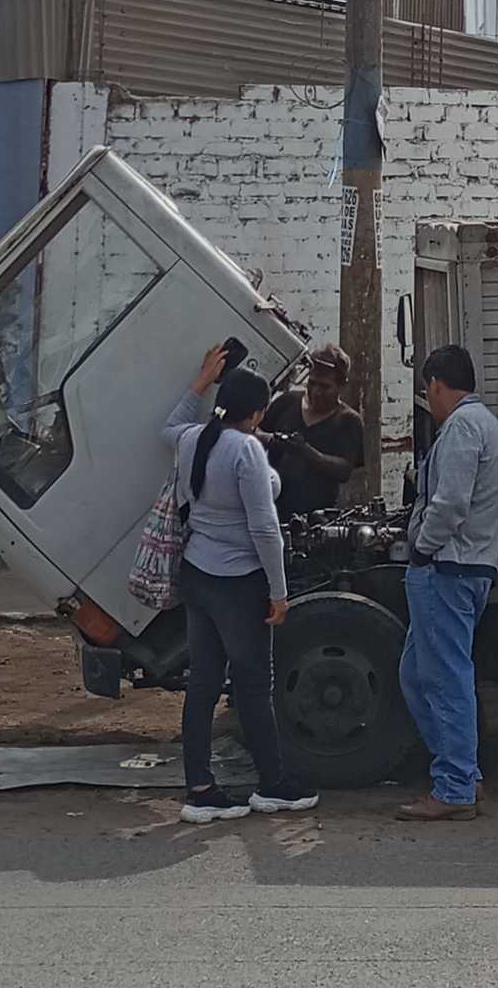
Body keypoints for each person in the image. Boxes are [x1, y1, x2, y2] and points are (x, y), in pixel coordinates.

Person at [163, 344, 318, 824]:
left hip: (197, 573)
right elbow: (265, 529)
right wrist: (279, 591)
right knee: (253, 686)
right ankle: (272, 785)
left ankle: (199, 789)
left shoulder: (193, 439)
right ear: (257, 413)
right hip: (238, 582)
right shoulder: (247, 450)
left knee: (203, 685)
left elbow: (169, 426)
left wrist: (199, 382)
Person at [395, 343, 498, 822]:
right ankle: (464, 772)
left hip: (449, 568)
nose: (429, 401)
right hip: (461, 568)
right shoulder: (482, 424)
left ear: (437, 385)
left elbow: (450, 504)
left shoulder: (463, 427)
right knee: (416, 674)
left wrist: (421, 549)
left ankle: (455, 787)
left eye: (428, 391)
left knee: (444, 680)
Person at [262, 342, 365, 520]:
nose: (316, 392)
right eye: (312, 383)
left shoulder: (348, 421)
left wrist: (307, 452)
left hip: (318, 519)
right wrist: (274, 440)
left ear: (342, 386)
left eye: (325, 386)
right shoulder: (287, 403)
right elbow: (253, 431)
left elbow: (345, 470)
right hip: (273, 511)